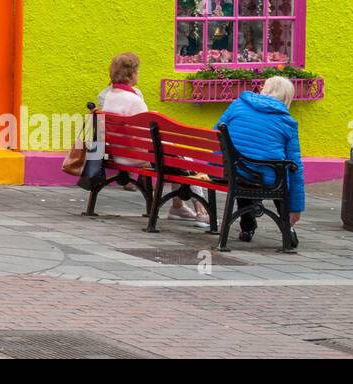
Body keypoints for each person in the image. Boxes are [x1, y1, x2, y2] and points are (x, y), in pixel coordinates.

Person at [97, 53, 208, 224]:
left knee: (176, 155)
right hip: (137, 157)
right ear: (130, 74)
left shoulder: (110, 96)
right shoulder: (134, 99)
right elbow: (149, 134)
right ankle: (201, 210)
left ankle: (178, 208)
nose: (138, 74)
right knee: (184, 159)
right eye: (137, 71)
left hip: (119, 155)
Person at [215, 75, 305, 244]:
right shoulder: (287, 122)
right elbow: (295, 166)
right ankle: (287, 225)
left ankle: (247, 226)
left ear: (264, 89)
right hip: (265, 176)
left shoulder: (238, 105)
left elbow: (215, 134)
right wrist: (296, 207)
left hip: (227, 171)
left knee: (243, 166)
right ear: (287, 98)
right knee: (280, 171)